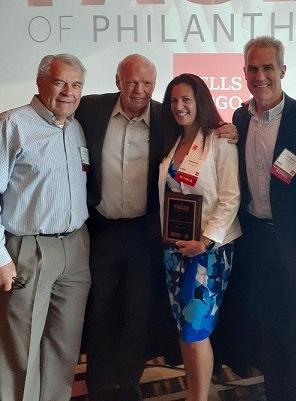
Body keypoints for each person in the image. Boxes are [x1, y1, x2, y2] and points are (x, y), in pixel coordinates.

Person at [76, 55, 238, 401]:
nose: (139, 90)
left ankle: (133, 381)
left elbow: (228, 194)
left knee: (141, 311)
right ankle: (101, 385)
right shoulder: (91, 109)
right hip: (106, 230)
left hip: (154, 236)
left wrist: (230, 128)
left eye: (147, 84)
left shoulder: (170, 119)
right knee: (102, 307)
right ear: (119, 80)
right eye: (132, 82)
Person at [232, 35, 296, 401]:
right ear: (244, 72)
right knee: (270, 332)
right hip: (257, 242)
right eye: (253, 68)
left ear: (283, 71)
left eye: (268, 68)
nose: (260, 76)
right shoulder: (240, 117)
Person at [0, 53, 91, 401]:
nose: (68, 91)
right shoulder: (13, 125)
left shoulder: (76, 128)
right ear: (40, 83)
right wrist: (1, 257)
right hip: (29, 249)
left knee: (64, 346)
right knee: (21, 350)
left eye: (77, 84)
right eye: (59, 82)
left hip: (75, 248)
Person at [158, 73, 241, 401]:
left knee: (195, 329)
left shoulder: (220, 141)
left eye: (186, 100)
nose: (179, 106)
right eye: (174, 101)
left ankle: (199, 398)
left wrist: (204, 242)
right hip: (175, 249)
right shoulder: (172, 141)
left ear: (200, 101)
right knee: (184, 327)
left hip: (208, 251)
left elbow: (230, 197)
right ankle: (195, 392)